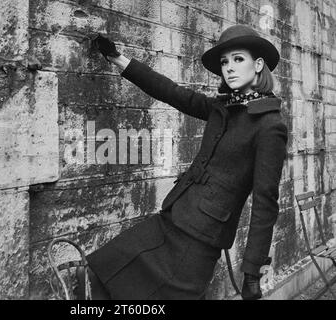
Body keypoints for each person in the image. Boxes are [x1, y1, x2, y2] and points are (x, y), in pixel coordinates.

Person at [77, 24, 288, 300]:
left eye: (238, 59)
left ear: (258, 65)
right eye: (225, 62)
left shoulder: (270, 125)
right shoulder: (222, 108)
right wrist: (119, 58)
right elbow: (171, 92)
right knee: (100, 271)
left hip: (200, 241)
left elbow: (265, 202)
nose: (229, 68)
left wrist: (252, 270)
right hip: (172, 218)